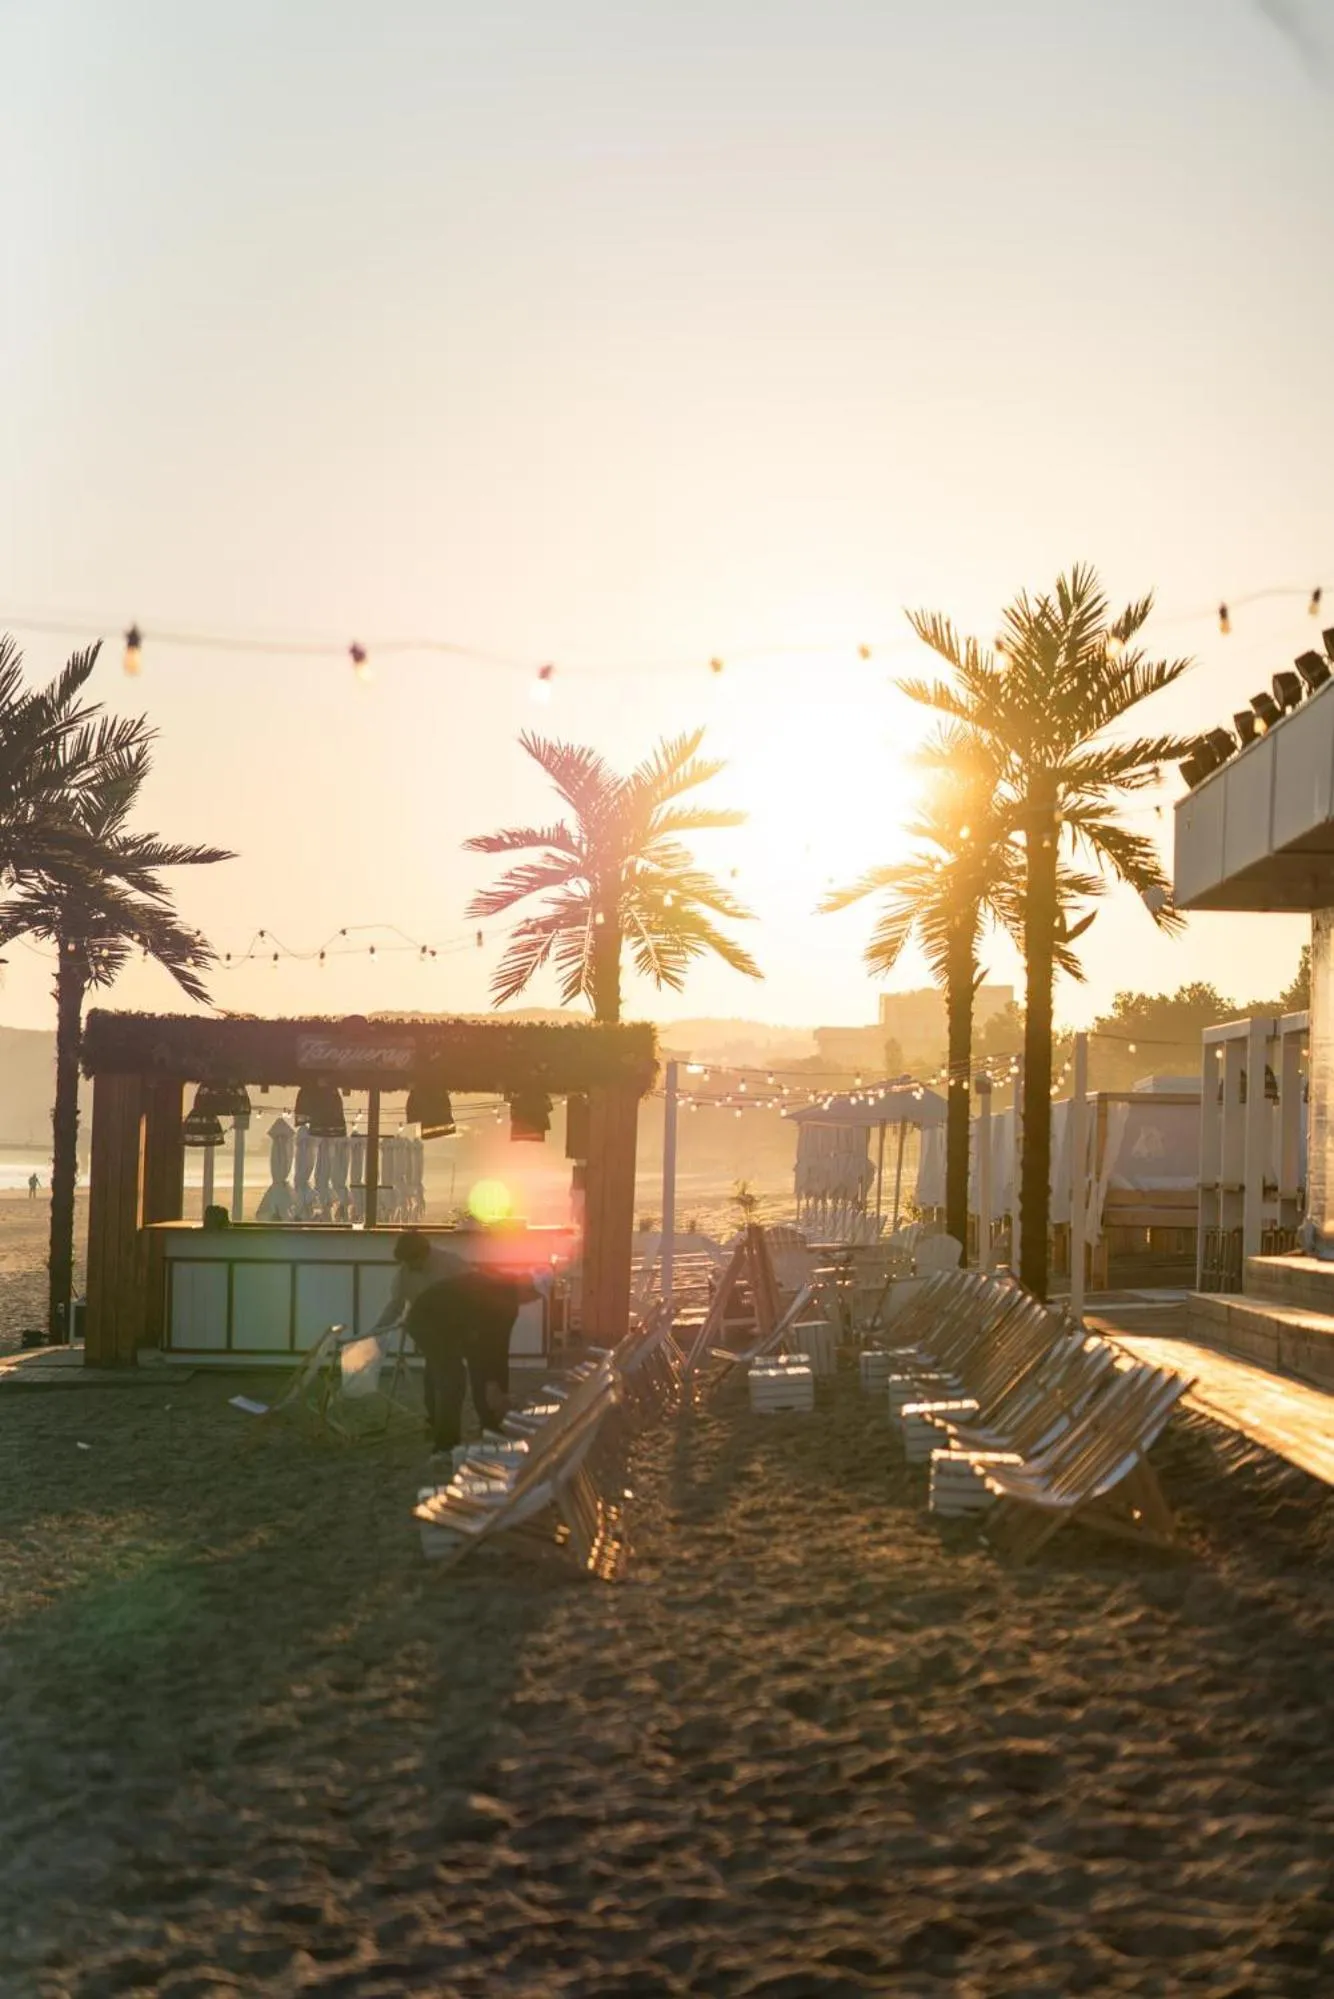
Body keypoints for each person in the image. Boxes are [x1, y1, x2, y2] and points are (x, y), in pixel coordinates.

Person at [404, 1266, 546, 1455]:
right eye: (533, 1296)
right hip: (428, 1321)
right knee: (453, 1380)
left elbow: (498, 1351)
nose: (530, 1301)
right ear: (526, 1283)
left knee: (473, 1375)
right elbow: (484, 1354)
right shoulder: (498, 1296)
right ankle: (445, 1446)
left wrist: (500, 1390)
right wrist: (495, 1389)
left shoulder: (506, 1295)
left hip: (455, 1323)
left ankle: (488, 1428)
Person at [369, 1230, 465, 1339]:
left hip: (458, 1325)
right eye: (406, 1261)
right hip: (430, 1329)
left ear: (425, 1253)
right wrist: (377, 1329)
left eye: (411, 1260)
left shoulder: (451, 1264)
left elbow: (469, 1293)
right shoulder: (404, 1273)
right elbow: (396, 1305)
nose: (409, 1266)